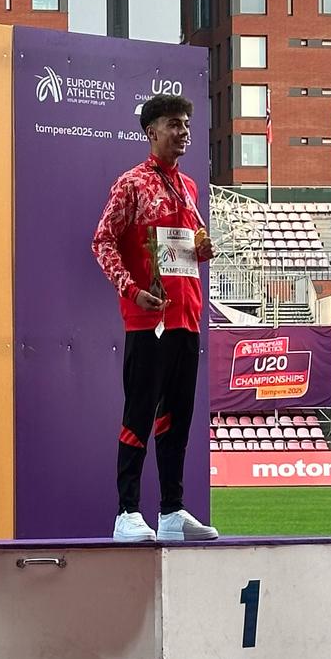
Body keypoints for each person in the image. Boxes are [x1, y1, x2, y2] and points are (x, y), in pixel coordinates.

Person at [92, 94, 219, 543]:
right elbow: (102, 241)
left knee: (177, 420)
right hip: (149, 321)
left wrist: (201, 251)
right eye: (173, 124)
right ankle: (126, 511)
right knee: (140, 415)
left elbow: (180, 249)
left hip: (187, 317)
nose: (183, 132)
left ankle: (171, 510)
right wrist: (131, 289)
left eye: (185, 124)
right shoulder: (132, 184)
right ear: (151, 131)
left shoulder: (189, 187)